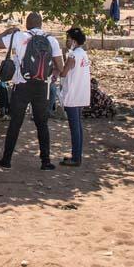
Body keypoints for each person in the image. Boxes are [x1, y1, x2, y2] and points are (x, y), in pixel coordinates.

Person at [0, 12, 65, 171]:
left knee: (15, 123)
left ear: (27, 24)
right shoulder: (51, 40)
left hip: (22, 86)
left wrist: (8, 31)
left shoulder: (19, 37)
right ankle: (45, 161)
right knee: (42, 124)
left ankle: (6, 160)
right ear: (41, 24)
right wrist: (53, 72)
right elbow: (60, 66)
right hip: (41, 87)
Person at [58, 27, 91, 167]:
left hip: (73, 95)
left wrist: (56, 67)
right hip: (80, 94)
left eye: (68, 38)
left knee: (74, 127)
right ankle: (76, 155)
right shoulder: (83, 53)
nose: (66, 41)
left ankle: (76, 158)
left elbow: (64, 73)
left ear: (73, 40)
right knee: (78, 125)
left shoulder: (73, 55)